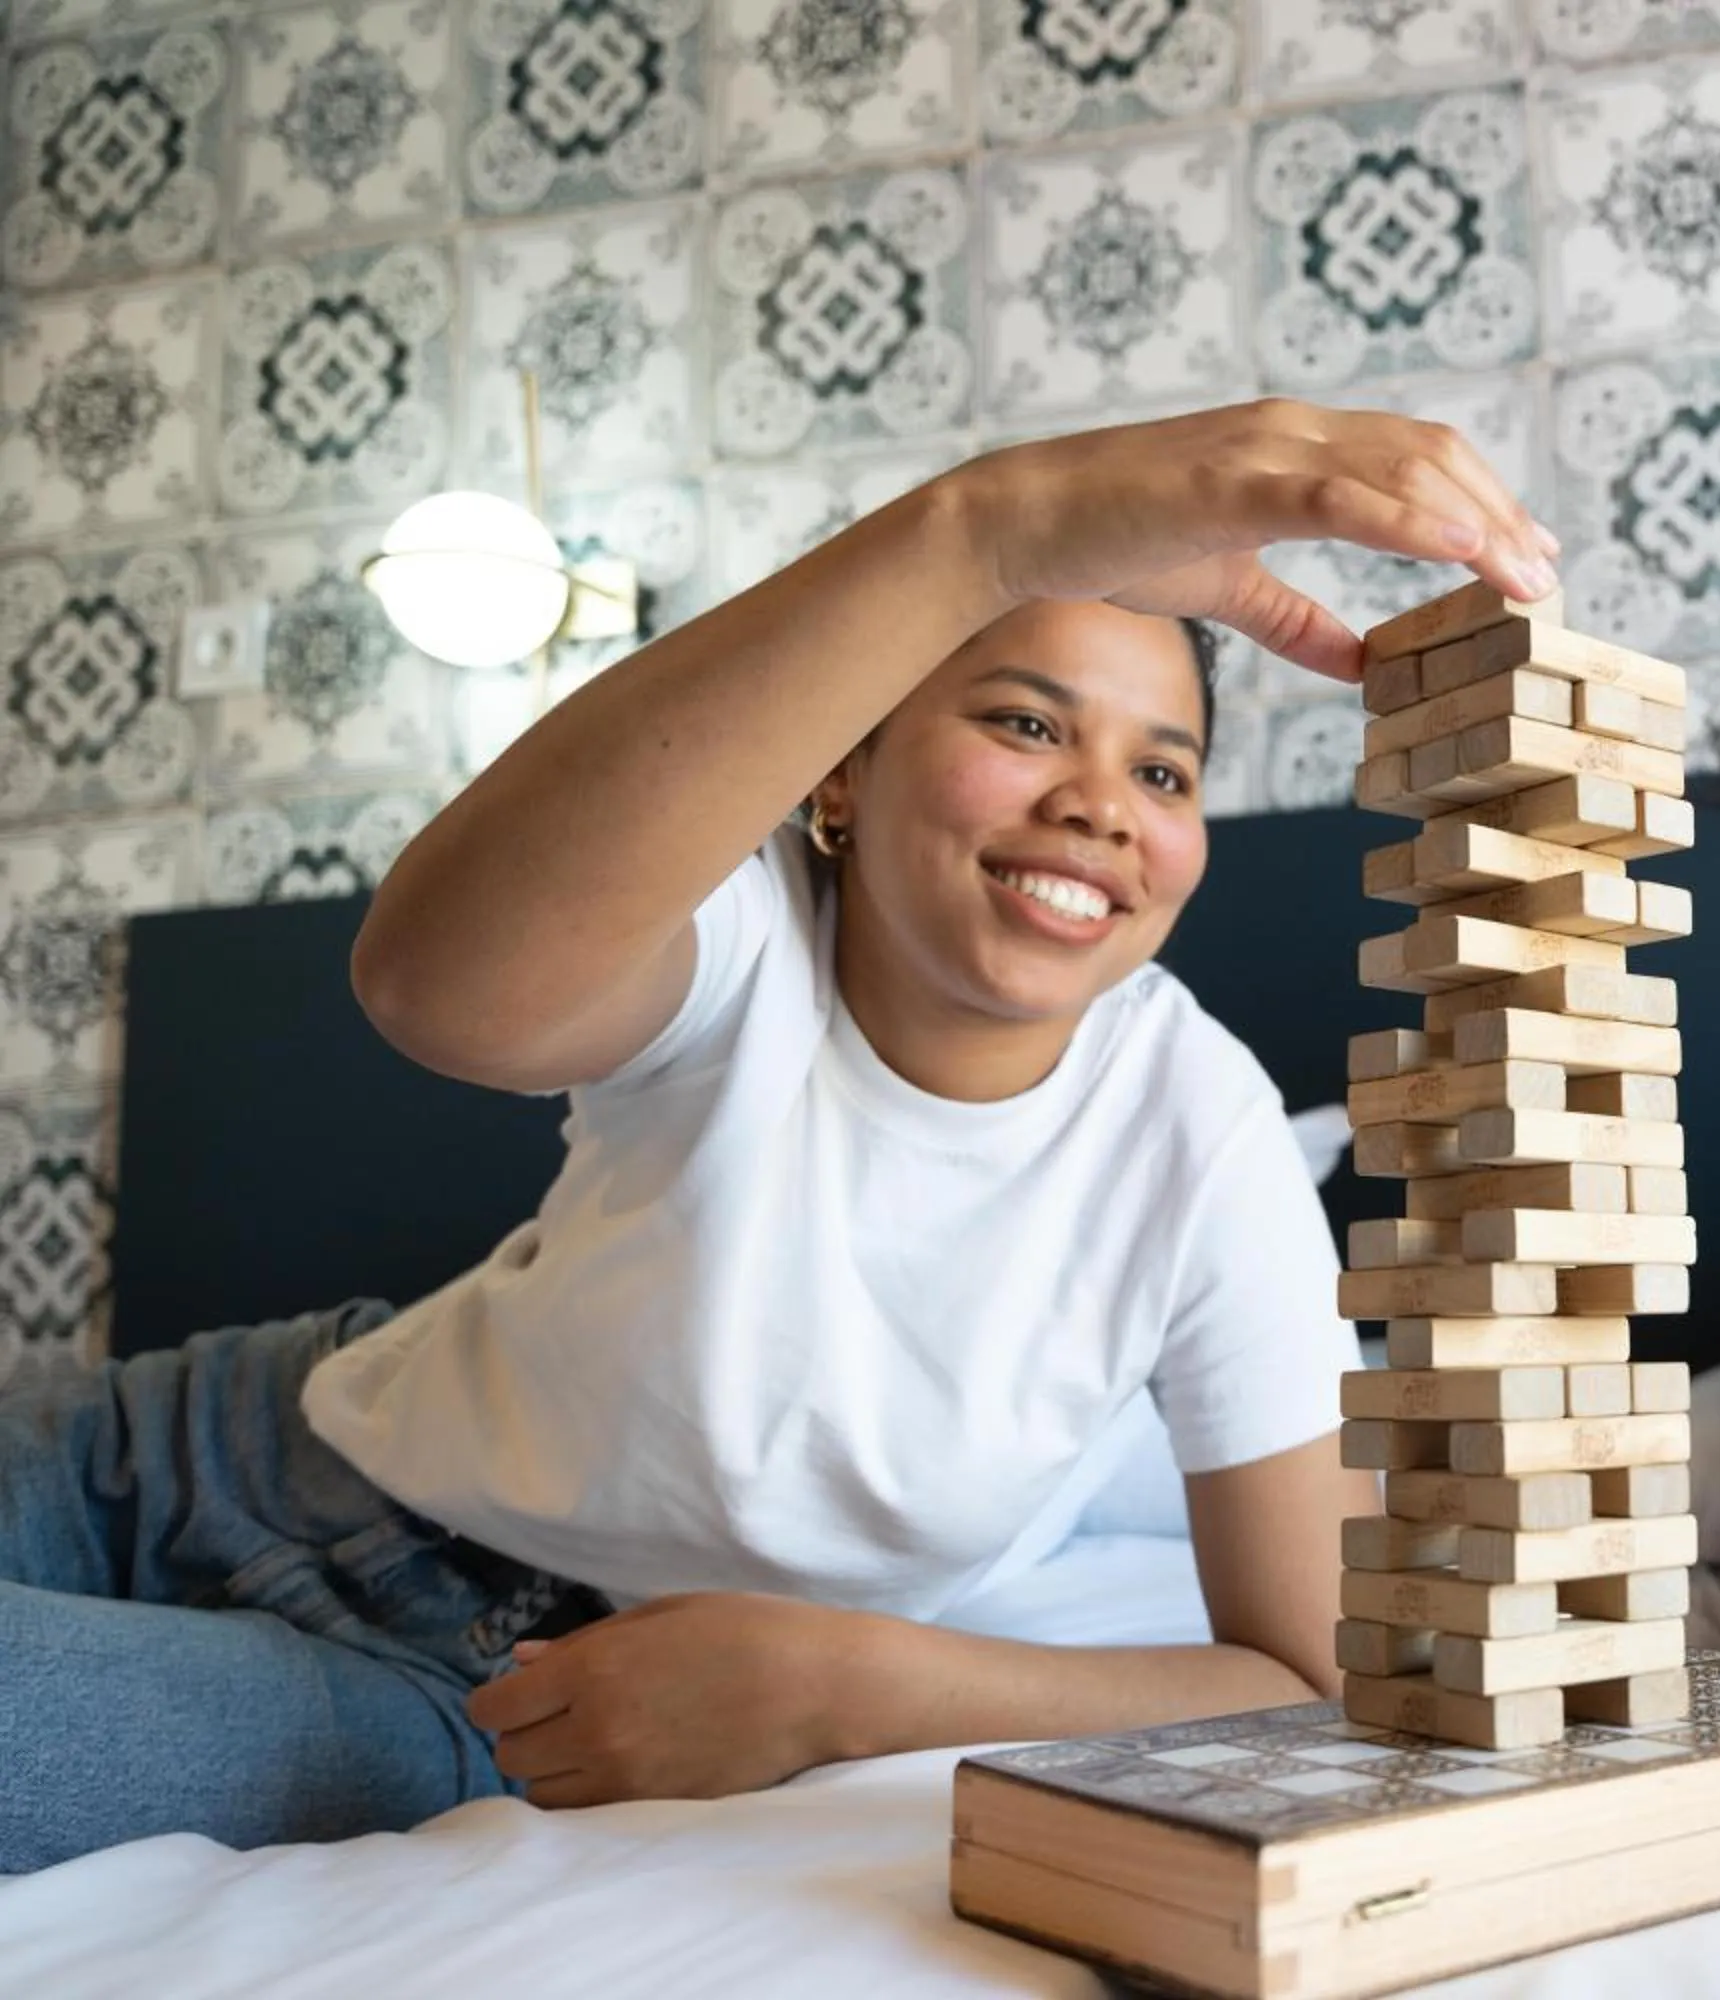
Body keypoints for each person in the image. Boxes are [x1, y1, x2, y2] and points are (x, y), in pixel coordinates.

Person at [0, 399, 1565, 1875]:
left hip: (509, 1694)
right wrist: (980, 531)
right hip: (213, 1450)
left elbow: (1305, 1670)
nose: (1103, 803)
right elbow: (434, 987)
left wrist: (850, 1685)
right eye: (1027, 721)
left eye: (1162, 768)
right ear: (842, 774)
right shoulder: (748, 933)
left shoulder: (1199, 1133)